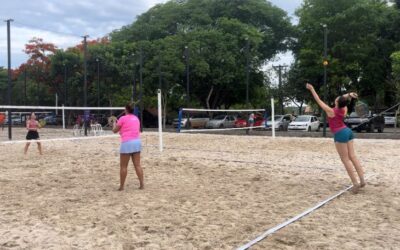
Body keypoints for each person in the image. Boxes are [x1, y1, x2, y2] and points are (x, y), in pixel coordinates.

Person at [306, 83, 365, 194]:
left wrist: (312, 89)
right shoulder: (344, 108)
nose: (337, 98)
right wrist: (349, 95)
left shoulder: (331, 111)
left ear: (337, 102)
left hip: (340, 133)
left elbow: (318, 100)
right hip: (348, 132)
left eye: (337, 98)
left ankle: (355, 184)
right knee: (352, 156)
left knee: (345, 160)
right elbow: (343, 99)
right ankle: (362, 180)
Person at [112, 104, 144, 191]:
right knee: (137, 165)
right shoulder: (136, 118)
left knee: (123, 166)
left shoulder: (122, 118)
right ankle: (142, 184)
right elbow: (130, 128)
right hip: (137, 142)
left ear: (126, 110)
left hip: (127, 143)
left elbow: (114, 130)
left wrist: (114, 122)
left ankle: (121, 187)